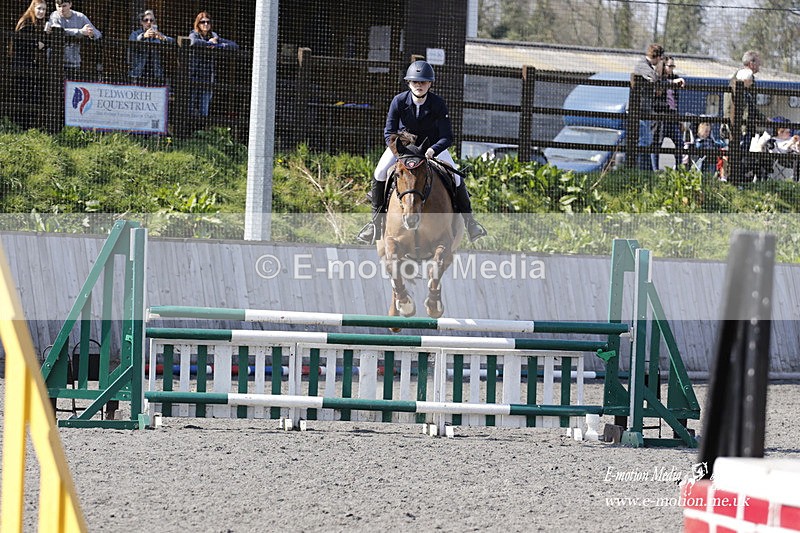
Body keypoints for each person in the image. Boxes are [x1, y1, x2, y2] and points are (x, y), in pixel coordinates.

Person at [356, 60, 487, 244]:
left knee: (457, 178)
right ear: (408, 83)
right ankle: (375, 224)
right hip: (403, 148)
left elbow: (447, 136)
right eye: (415, 82)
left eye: (423, 82)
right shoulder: (399, 101)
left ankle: (470, 223)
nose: (419, 85)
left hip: (431, 148)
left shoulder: (438, 103)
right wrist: (397, 152)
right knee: (380, 172)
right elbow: (389, 132)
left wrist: (434, 149)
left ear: (430, 84)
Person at [632, 44, 685, 171]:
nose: (672, 68)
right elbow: (655, 80)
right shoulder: (644, 66)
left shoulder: (674, 78)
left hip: (671, 116)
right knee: (651, 144)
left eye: (673, 66)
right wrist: (670, 83)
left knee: (679, 143)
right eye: (669, 65)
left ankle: (678, 169)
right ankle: (650, 170)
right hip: (655, 115)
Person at [188, 12, 239, 123]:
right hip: (193, 76)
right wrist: (208, 44)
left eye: (208, 22)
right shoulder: (194, 34)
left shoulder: (214, 36)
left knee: (204, 109)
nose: (205, 24)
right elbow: (192, 42)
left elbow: (234, 46)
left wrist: (218, 45)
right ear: (198, 24)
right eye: (203, 22)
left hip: (207, 78)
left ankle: (202, 133)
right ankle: (188, 134)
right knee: (190, 108)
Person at [13, 1, 50, 129]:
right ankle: (21, 126)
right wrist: (37, 44)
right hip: (22, 65)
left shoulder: (36, 24)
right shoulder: (27, 22)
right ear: (33, 8)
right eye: (39, 8)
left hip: (29, 63)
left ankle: (27, 126)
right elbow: (21, 42)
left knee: (32, 95)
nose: (42, 12)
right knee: (25, 95)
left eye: (44, 9)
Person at [48, 0, 101, 76]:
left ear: (70, 4)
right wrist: (80, 32)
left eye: (64, 6)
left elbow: (98, 34)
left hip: (74, 63)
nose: (61, 9)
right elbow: (58, 31)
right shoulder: (54, 16)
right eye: (59, 6)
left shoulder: (80, 17)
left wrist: (91, 34)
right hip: (56, 63)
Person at [128, 9, 174, 85]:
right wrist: (143, 36)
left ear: (154, 23)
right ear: (141, 22)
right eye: (146, 20)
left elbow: (172, 41)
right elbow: (131, 43)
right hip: (138, 72)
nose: (148, 22)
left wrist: (162, 38)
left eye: (151, 20)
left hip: (155, 74)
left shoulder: (157, 34)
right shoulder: (135, 33)